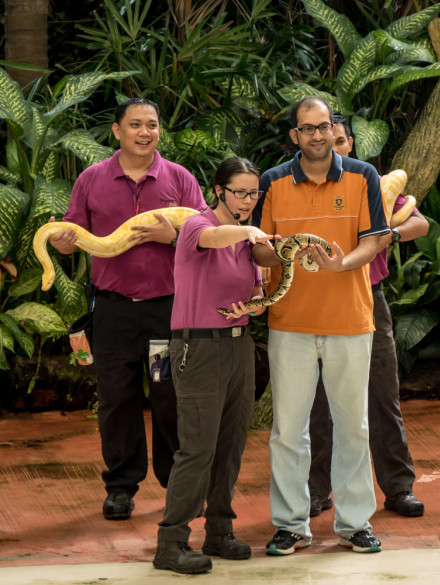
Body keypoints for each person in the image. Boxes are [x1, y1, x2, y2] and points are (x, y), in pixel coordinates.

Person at [48, 98, 206, 520]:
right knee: (118, 398)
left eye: (151, 125)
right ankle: (121, 485)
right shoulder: (92, 179)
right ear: (117, 131)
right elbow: (73, 228)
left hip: (165, 312)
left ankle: (178, 483)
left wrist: (173, 235)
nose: (144, 132)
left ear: (159, 131)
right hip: (114, 312)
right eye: (135, 124)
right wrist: (65, 242)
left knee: (167, 393)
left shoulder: (178, 178)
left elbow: (207, 235)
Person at [252, 96, 389, 556]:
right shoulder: (272, 181)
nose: (317, 134)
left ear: (335, 129)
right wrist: (286, 250)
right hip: (289, 324)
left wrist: (339, 264)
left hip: (351, 321)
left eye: (324, 126)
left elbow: (374, 241)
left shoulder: (362, 175)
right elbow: (258, 250)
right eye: (307, 128)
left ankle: (354, 524)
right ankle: (290, 524)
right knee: (289, 430)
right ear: (294, 135)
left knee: (354, 427)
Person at [153, 157, 274, 575]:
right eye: (240, 192)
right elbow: (212, 238)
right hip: (197, 349)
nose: (247, 200)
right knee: (198, 447)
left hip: (240, 346)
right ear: (219, 190)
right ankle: (171, 541)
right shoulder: (197, 226)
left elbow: (257, 296)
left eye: (254, 193)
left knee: (231, 443)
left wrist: (253, 306)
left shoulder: (247, 244)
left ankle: (219, 530)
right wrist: (249, 228)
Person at [308, 117, 429, 519]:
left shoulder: (371, 182)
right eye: (327, 138)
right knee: (319, 401)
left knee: (381, 394)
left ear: (350, 142)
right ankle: (316, 490)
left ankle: (398, 488)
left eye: (340, 140)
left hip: (368, 299)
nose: (334, 146)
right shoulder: (300, 183)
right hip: (316, 301)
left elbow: (420, 223)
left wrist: (388, 235)